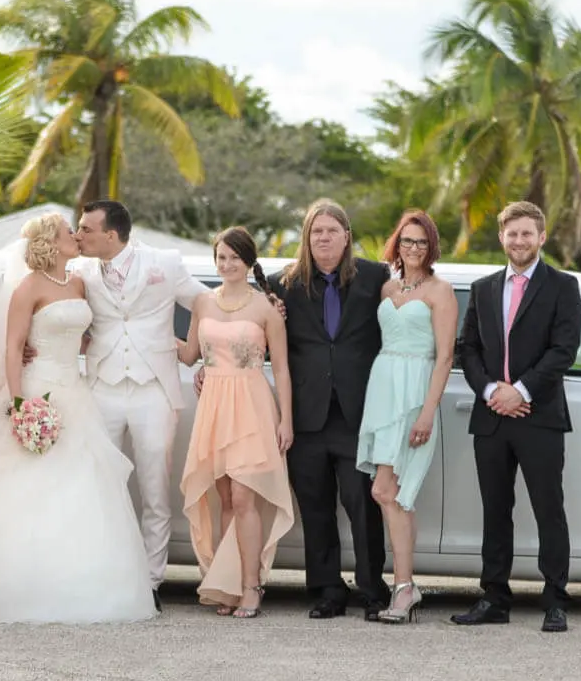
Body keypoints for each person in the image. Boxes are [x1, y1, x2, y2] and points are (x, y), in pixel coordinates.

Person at [0, 214, 156, 624]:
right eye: (67, 233)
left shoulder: (79, 283)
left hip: (76, 394)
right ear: (51, 243)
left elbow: (98, 326)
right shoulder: (28, 287)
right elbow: (12, 348)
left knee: (84, 487)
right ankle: (19, 578)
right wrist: (20, 403)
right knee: (26, 488)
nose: (75, 236)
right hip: (38, 393)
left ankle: (82, 579)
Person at [451, 201, 581, 633]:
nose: (519, 241)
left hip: (539, 415)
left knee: (549, 509)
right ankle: (494, 598)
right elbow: (467, 348)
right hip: (491, 418)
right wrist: (491, 391)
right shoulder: (485, 287)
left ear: (542, 237)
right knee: (495, 510)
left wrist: (521, 391)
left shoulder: (563, 286)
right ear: (502, 237)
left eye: (527, 233)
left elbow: (563, 350)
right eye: (512, 234)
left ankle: (556, 601)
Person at [70, 200, 208, 607]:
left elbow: (205, 302)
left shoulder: (163, 263)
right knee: (103, 485)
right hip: (102, 386)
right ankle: (106, 572)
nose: (78, 235)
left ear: (110, 235)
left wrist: (195, 351)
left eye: (85, 229)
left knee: (154, 487)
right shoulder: (79, 271)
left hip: (153, 389)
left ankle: (150, 581)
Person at [267, 199, 391, 619]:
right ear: (307, 237)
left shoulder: (376, 277)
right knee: (316, 507)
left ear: (346, 237)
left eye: (331, 231)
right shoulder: (280, 285)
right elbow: (245, 331)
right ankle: (327, 590)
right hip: (306, 416)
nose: (323, 238)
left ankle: (373, 590)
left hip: (358, 414)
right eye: (316, 231)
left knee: (362, 505)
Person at [177, 228, 294, 619]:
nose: (226, 265)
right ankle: (226, 585)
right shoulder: (202, 302)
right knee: (225, 499)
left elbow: (281, 368)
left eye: (234, 258)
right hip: (214, 405)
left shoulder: (265, 308)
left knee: (246, 500)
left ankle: (251, 586)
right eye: (221, 257)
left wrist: (287, 421)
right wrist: (142, 328)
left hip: (252, 404)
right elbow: (191, 353)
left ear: (248, 261)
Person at [356, 210, 458, 624]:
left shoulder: (441, 291)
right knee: (390, 493)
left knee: (389, 492)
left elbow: (445, 356)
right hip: (382, 390)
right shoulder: (386, 287)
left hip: (415, 394)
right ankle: (405, 585)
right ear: (396, 244)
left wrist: (427, 413)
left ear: (430, 246)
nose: (413, 248)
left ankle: (403, 587)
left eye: (421, 241)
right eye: (406, 241)